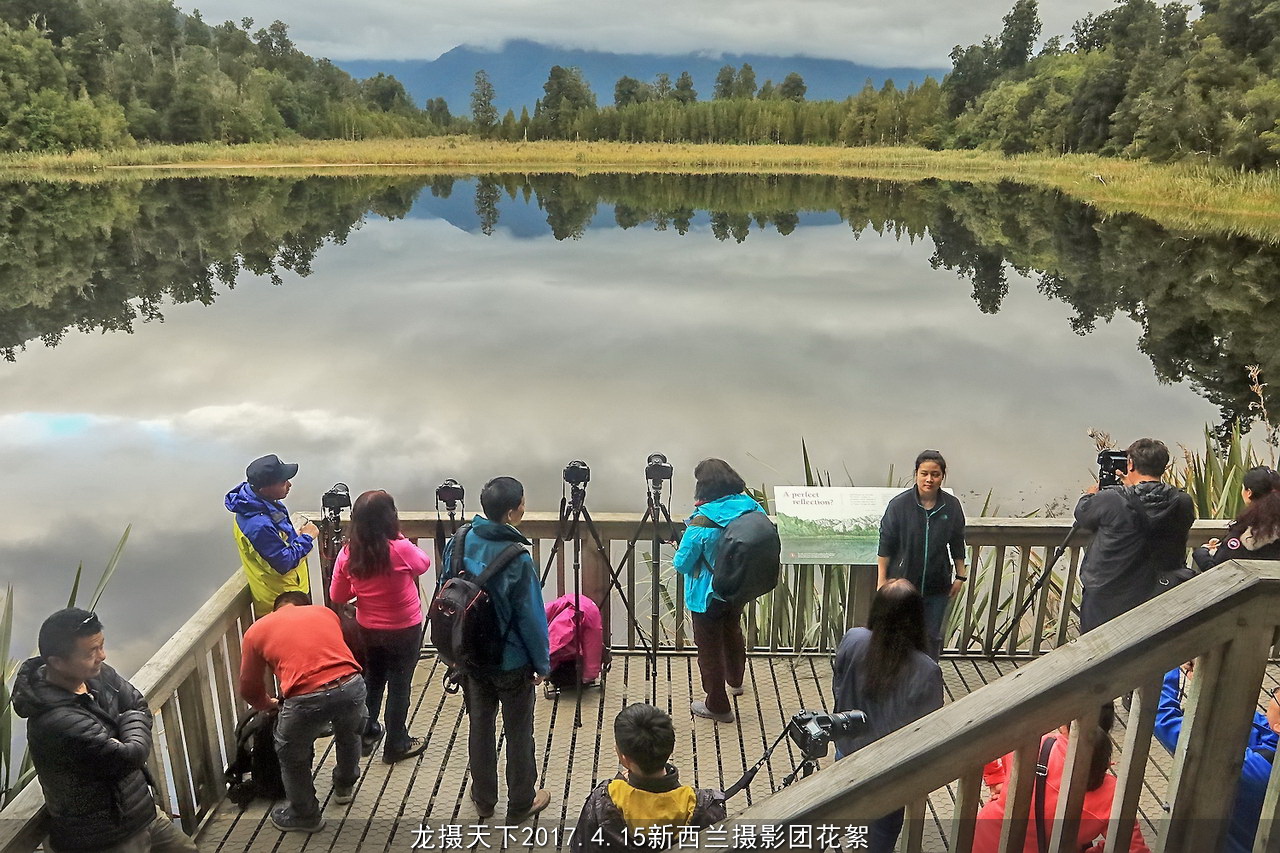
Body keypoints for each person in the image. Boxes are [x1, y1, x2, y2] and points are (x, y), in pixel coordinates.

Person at [11, 608, 199, 853]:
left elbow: (138, 704)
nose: (103, 655)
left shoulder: (97, 674)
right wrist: (129, 722)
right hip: (106, 837)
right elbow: (130, 755)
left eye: (101, 646)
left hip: (140, 812)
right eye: (92, 651)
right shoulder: (56, 722)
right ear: (57, 662)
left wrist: (127, 720)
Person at [440, 476, 551, 823]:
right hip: (511, 660)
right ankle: (521, 802)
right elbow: (531, 616)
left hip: (469, 654)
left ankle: (484, 798)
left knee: (480, 725)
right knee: (518, 732)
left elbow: (447, 591)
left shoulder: (459, 540)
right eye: (522, 503)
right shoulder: (518, 558)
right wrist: (542, 663)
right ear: (512, 511)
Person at [238, 591, 367, 834]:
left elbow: (248, 688)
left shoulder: (257, 630)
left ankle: (305, 814)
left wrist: (268, 704)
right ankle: (344, 786)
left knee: (291, 755)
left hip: (305, 696)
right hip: (350, 683)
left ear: (276, 609)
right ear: (305, 605)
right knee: (349, 734)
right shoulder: (325, 613)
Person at [832, 579, 943, 853]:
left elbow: (838, 686)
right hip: (890, 771)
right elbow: (929, 727)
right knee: (881, 836)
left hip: (847, 751)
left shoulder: (853, 639)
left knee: (846, 817)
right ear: (917, 618)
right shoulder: (926, 669)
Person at [329, 489, 431, 763]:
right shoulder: (400, 548)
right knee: (399, 685)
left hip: (369, 629)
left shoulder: (348, 554)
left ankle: (366, 731)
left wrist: (358, 588)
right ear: (389, 518)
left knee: (373, 680)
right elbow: (424, 564)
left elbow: (337, 595)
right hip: (405, 629)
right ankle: (396, 743)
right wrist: (399, 537)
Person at [974, 705, 1150, 853]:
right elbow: (1135, 850)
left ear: (1065, 726)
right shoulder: (1113, 795)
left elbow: (986, 737)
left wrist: (996, 778)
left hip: (982, 841)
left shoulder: (1036, 744)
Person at [672, 458, 767, 724]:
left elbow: (682, 564)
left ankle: (717, 705)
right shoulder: (751, 507)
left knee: (709, 649)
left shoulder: (702, 522)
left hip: (706, 595)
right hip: (737, 587)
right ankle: (735, 681)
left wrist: (681, 545)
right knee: (732, 631)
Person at [1074, 438, 1195, 633]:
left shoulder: (1112, 499)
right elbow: (1153, 506)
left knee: (1097, 647)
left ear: (1130, 464)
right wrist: (1131, 489)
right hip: (1158, 594)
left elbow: (1083, 514)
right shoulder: (1182, 501)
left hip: (1108, 597)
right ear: (1164, 467)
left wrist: (1089, 495)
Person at [571, 704, 726, 852]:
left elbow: (582, 846)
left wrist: (619, 782)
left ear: (624, 759)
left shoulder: (603, 802)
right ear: (670, 747)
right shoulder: (703, 807)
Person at [1154, 666, 1276, 853]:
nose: (1275, 692)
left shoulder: (1258, 771)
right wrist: (1207, 682)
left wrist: (1168, 667)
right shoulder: (1272, 739)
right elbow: (1255, 724)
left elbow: (1167, 724)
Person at [877, 449, 968, 660]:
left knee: (931, 637)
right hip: (903, 584)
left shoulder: (951, 506)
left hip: (937, 585)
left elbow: (957, 541)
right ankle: (898, 675)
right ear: (916, 473)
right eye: (924, 473)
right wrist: (882, 580)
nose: (929, 479)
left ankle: (928, 674)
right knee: (900, 635)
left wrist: (960, 576)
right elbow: (885, 545)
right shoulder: (899, 505)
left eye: (935, 474)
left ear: (942, 476)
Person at [225, 453, 319, 617]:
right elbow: (283, 563)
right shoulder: (258, 525)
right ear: (265, 488)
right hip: (280, 601)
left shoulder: (257, 503)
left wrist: (293, 537)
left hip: (290, 592)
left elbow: (273, 543)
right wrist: (307, 537)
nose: (289, 484)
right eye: (283, 482)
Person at [1192, 466, 1280, 570]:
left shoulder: (1247, 530)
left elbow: (1218, 569)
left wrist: (1202, 552)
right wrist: (1222, 546)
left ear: (1249, 492)